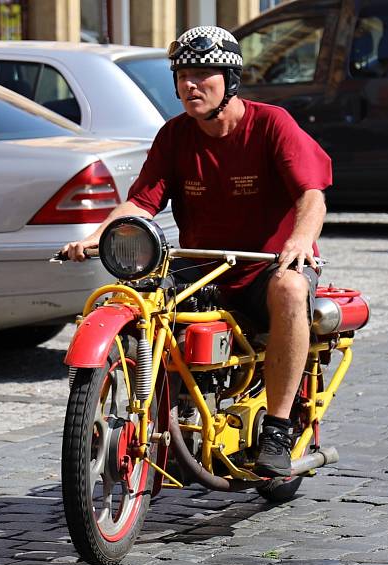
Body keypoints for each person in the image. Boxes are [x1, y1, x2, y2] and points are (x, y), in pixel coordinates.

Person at [63, 26, 331, 478]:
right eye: (183, 74)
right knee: (133, 297)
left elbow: (312, 195)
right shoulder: (174, 136)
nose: (190, 85)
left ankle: (279, 429)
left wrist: (300, 240)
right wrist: (98, 234)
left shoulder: (271, 124)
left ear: (230, 79)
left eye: (204, 73)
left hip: (267, 267)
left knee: (289, 289)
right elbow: (141, 202)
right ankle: (154, 414)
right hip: (202, 268)